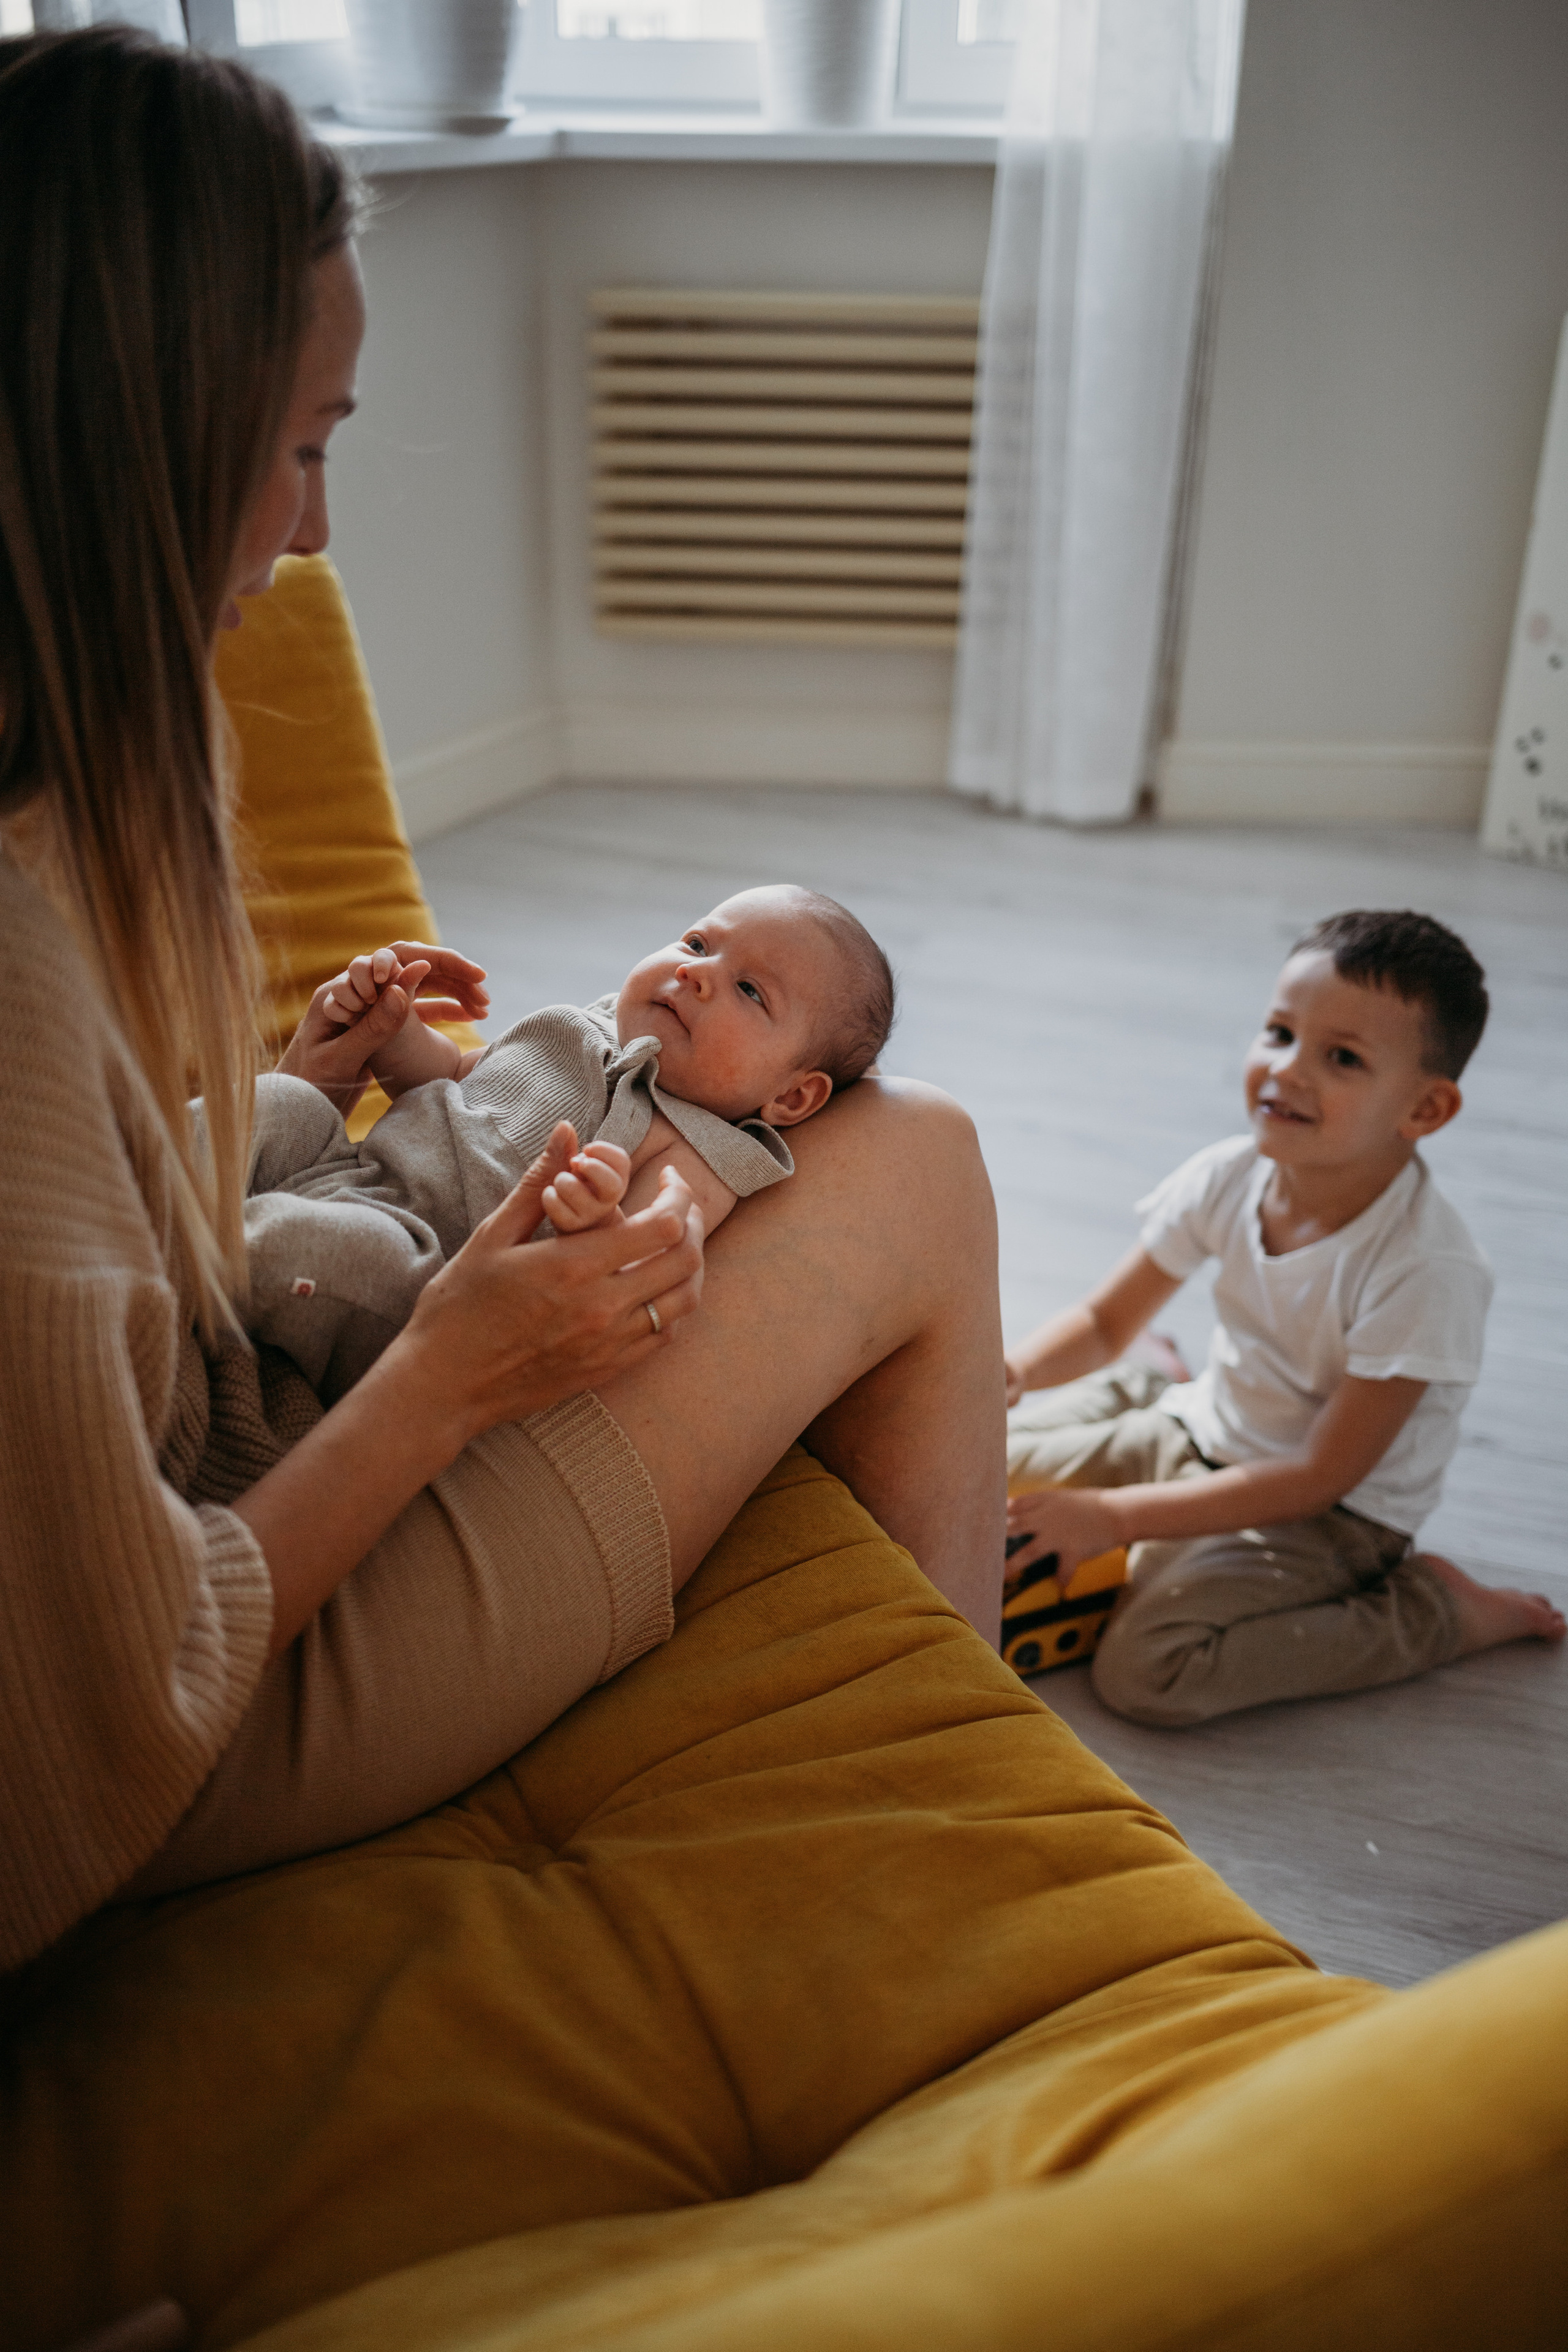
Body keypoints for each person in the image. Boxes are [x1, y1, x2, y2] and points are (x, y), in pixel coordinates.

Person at [0, 26, 1004, 1973]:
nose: (310, 536)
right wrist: (461, 1356)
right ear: (126, 436)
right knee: (927, 1164)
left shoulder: (50, 809)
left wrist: (264, 1099)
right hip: (177, 1684)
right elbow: (109, 1690)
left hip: (197, 1429)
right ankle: (936, 1898)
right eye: (295, 446)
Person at [1004, 911, 1566, 1727]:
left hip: (1330, 1516)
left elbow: (1318, 1478)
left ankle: (1438, 1611)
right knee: (973, 1476)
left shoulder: (1425, 1272)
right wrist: (1014, 1373)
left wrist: (1113, 1517)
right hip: (1202, 1430)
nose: (1286, 1072)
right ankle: (1157, 1386)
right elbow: (1100, 1319)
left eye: (1341, 1057)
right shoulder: (1228, 1176)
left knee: (1147, 1673)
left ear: (1426, 1109)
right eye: (1279, 1032)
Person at [238, 886, 897, 1402]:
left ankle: (194, 1247)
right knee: (280, 1101)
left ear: (790, 1098)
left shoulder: (697, 1146)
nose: (696, 973)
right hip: (351, 1175)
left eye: (750, 990)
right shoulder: (579, 1025)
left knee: (314, 1245)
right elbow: (455, 1079)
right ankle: (157, 1181)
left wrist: (597, 1217)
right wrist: (392, 1028)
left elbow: (631, 1266)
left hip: (419, 1275)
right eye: (698, 944)